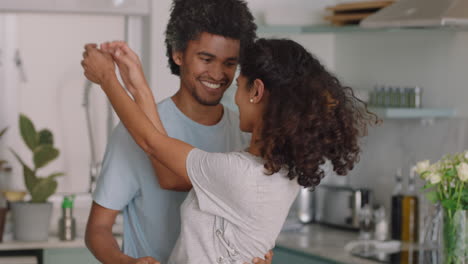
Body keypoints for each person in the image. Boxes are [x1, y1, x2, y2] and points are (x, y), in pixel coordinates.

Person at [81, 37, 376, 263]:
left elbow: (152, 144)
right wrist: (139, 88)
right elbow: (168, 171)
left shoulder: (239, 173)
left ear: (257, 92)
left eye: (239, 83)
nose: (232, 96)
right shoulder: (277, 172)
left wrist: (107, 79)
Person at [83, 0, 271, 264]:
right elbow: (97, 230)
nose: (217, 74)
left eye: (230, 63)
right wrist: (125, 262)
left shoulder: (245, 136)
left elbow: (170, 172)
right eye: (206, 59)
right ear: (178, 54)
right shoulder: (132, 130)